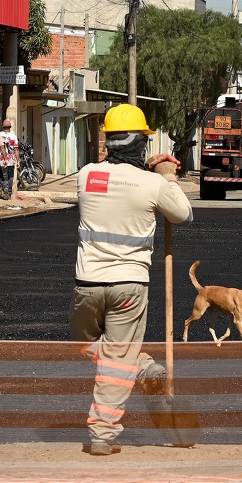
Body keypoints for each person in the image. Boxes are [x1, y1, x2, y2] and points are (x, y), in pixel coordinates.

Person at [70, 103, 193, 456]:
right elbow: (183, 213)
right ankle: (105, 431)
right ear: (141, 143)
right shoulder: (152, 184)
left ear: (109, 141)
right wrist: (168, 175)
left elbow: (112, 182)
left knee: (82, 343)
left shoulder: (86, 176)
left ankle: (134, 366)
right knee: (119, 360)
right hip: (130, 286)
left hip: (87, 284)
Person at [0, 119, 19, 200]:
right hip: (11, 160)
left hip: (1, 159)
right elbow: (16, 150)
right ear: (10, 127)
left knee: (2, 176)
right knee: (10, 176)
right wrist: (17, 160)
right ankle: (9, 192)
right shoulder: (14, 137)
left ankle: (5, 187)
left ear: (3, 127)